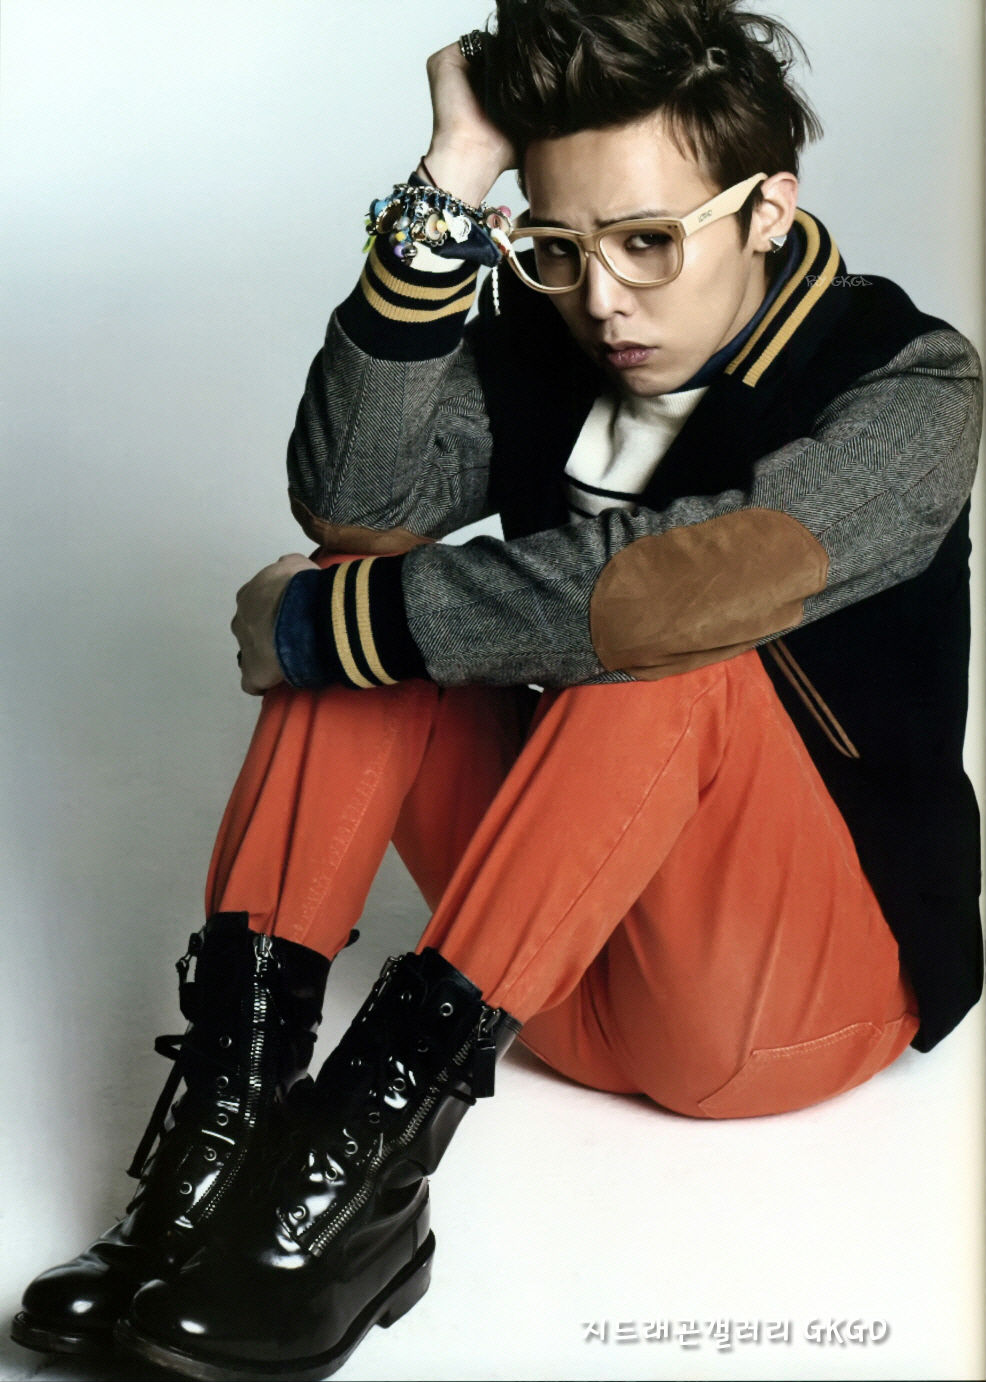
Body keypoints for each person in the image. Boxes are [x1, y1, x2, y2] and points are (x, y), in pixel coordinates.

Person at [12, 1, 983, 1378]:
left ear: (768, 209)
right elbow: (354, 500)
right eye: (557, 248)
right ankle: (219, 1155)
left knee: (648, 643)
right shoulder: (551, 334)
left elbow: (680, 593)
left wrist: (339, 622)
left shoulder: (909, 382)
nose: (603, 299)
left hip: (785, 1009)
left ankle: (356, 1179)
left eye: (648, 242)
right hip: (545, 986)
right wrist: (453, 179)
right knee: (352, 615)